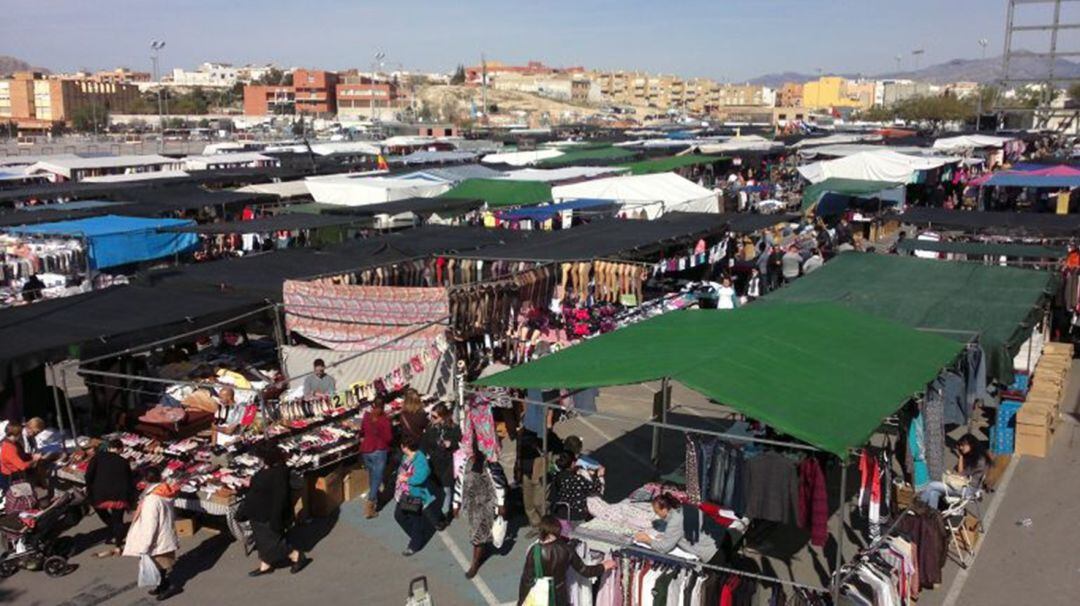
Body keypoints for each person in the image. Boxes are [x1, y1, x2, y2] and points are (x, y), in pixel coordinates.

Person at [243, 443, 311, 577]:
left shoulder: (279, 473)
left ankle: (296, 555)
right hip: (258, 512)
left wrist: (276, 518)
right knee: (262, 540)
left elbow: (280, 498)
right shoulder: (269, 469)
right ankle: (265, 564)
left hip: (267, 513)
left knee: (271, 542)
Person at [518, 515, 615, 606]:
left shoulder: (534, 550)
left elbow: (526, 580)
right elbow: (585, 571)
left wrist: (521, 601)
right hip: (560, 594)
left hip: (539, 594)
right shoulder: (566, 549)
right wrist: (604, 566)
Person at [123, 467, 182, 601]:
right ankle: (161, 586)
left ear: (144, 480)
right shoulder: (164, 492)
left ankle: (166, 587)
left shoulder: (152, 499)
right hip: (164, 533)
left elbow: (150, 525)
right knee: (161, 564)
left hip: (156, 538)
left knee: (157, 564)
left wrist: (145, 545)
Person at [455, 447, 508, 579]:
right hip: (472, 506)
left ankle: (475, 564)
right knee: (478, 533)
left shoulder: (491, 466)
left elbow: (499, 485)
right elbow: (459, 483)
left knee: (478, 537)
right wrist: (456, 503)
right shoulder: (466, 463)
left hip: (487, 506)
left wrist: (501, 504)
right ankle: (482, 546)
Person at [633, 493, 722, 565]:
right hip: (720, 536)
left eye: (657, 511)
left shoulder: (675, 521)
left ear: (664, 509)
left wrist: (647, 540)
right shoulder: (683, 508)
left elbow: (664, 548)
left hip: (713, 552)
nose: (657, 515)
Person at [85, 439, 135, 558]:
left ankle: (113, 529)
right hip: (119, 496)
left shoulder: (97, 458)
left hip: (100, 495)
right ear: (120, 449)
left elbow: (88, 475)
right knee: (118, 520)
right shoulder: (123, 461)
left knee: (106, 515)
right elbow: (129, 480)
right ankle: (118, 545)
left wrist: (90, 488)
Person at [393, 439, 440, 557]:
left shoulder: (420, 459)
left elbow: (421, 476)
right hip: (403, 492)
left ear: (405, 447)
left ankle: (415, 544)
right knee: (399, 516)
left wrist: (406, 479)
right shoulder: (406, 457)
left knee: (414, 519)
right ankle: (417, 537)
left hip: (413, 493)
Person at [917, 434, 991, 510]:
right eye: (960, 445)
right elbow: (957, 471)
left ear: (971, 445)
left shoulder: (979, 461)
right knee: (934, 493)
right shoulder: (973, 456)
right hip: (962, 485)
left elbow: (960, 473)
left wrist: (961, 457)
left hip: (967, 489)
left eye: (963, 445)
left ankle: (919, 508)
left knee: (931, 485)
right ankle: (931, 517)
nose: (961, 447)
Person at [420, 403, 461, 521]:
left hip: (448, 462)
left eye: (435, 417)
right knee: (437, 488)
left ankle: (444, 513)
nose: (431, 419)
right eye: (431, 416)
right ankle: (441, 508)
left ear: (443, 417)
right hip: (434, 462)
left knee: (447, 488)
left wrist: (451, 444)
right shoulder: (430, 428)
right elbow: (424, 443)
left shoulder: (454, 428)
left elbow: (460, 443)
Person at [359, 397, 393, 519]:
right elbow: (389, 438)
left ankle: (374, 495)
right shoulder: (385, 420)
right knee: (378, 477)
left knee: (372, 474)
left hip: (366, 449)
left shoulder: (366, 416)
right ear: (383, 406)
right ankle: (371, 503)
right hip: (379, 450)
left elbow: (362, 430)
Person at [549, 449, 603, 523]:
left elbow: (552, 496)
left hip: (558, 511)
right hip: (575, 514)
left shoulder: (556, 477)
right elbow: (596, 488)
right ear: (573, 463)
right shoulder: (576, 479)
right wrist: (596, 476)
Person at [516, 428, 547, 528]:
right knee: (528, 503)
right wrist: (518, 468)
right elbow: (519, 452)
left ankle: (544, 524)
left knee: (538, 502)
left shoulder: (541, 433)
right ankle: (536, 524)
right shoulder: (521, 434)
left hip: (538, 472)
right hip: (526, 472)